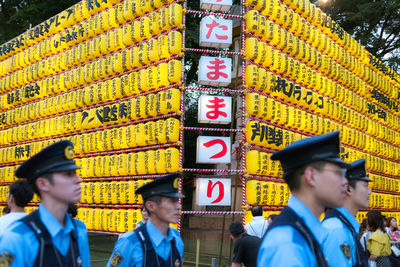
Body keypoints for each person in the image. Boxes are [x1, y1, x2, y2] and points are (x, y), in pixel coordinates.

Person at [257, 131, 349, 266]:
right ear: (311, 176)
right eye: (338, 173)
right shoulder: (288, 244)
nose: (345, 182)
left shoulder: (304, 232)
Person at [0, 140, 90, 267]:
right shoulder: (18, 238)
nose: (78, 179)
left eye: (75, 173)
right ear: (43, 184)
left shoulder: (79, 232)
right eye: (68, 174)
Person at [107, 173, 184, 267]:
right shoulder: (130, 242)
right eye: (172, 201)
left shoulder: (176, 240)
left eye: (177, 201)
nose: (179, 206)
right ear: (151, 206)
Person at [322, 159, 372, 267]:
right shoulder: (336, 230)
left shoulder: (345, 226)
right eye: (365, 185)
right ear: (348, 189)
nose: (370, 191)